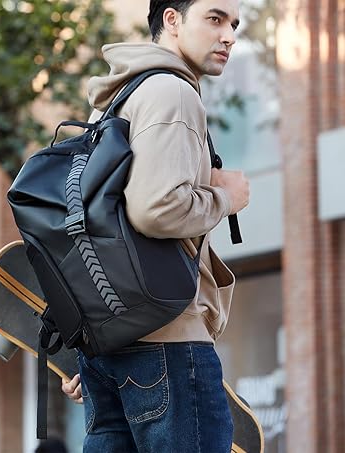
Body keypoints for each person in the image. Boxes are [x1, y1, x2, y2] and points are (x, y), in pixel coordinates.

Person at [61, 0, 250, 452]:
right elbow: (155, 209)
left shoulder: (116, 101)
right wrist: (227, 198)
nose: (229, 36)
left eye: (234, 24)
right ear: (171, 19)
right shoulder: (172, 93)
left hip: (113, 341)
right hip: (168, 338)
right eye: (215, 18)